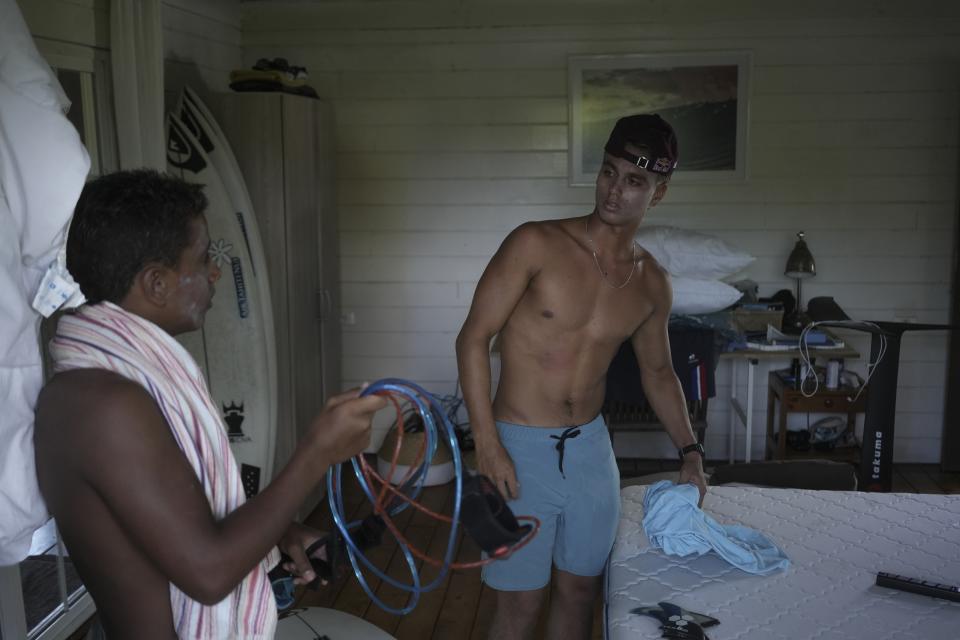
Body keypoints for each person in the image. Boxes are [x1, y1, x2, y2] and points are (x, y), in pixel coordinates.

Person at [33, 169, 387, 639]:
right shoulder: (102, 403)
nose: (215, 272)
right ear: (156, 283)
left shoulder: (119, 380)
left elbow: (170, 514)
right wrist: (317, 452)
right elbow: (207, 573)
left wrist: (278, 532)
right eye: (201, 261)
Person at [456, 114, 708, 640]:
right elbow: (473, 338)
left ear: (657, 194)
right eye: (609, 172)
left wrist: (691, 452)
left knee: (579, 593)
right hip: (518, 447)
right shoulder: (535, 244)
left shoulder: (652, 284)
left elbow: (658, 373)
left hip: (592, 453)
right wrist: (487, 443)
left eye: (634, 181)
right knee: (520, 603)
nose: (615, 190)